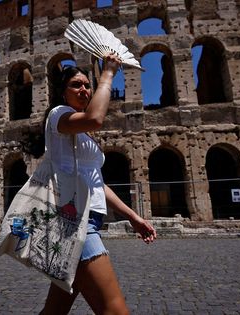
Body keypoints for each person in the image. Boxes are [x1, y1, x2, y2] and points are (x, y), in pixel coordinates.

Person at [40, 54, 157, 315]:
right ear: (62, 92)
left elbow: (97, 184)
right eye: (76, 85)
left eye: (86, 85)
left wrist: (133, 217)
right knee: (116, 311)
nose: (84, 89)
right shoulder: (59, 115)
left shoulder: (79, 131)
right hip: (74, 221)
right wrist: (108, 73)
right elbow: (96, 118)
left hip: (88, 218)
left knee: (54, 312)